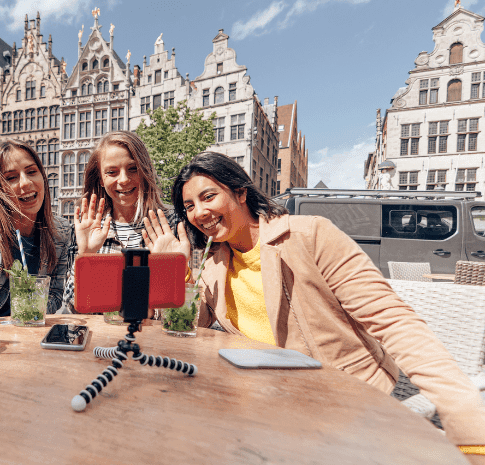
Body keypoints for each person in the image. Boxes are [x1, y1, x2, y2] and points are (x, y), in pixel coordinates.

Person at [143, 151, 485, 462]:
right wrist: (171, 266)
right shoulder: (215, 262)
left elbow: (393, 321)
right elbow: (182, 329)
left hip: (341, 400)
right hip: (262, 399)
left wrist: (462, 410)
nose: (199, 212)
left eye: (208, 196)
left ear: (240, 192)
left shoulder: (309, 235)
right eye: (189, 206)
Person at [62, 130, 181, 313]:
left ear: (144, 170)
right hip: (102, 340)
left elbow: (181, 314)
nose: (124, 179)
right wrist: (85, 255)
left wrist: (171, 271)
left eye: (133, 169)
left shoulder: (172, 224)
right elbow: (72, 311)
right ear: (101, 179)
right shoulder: (85, 228)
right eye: (112, 172)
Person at [0, 140, 71, 320]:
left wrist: (27, 314)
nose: (25, 183)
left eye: (32, 172)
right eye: (11, 178)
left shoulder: (60, 231)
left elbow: (55, 296)